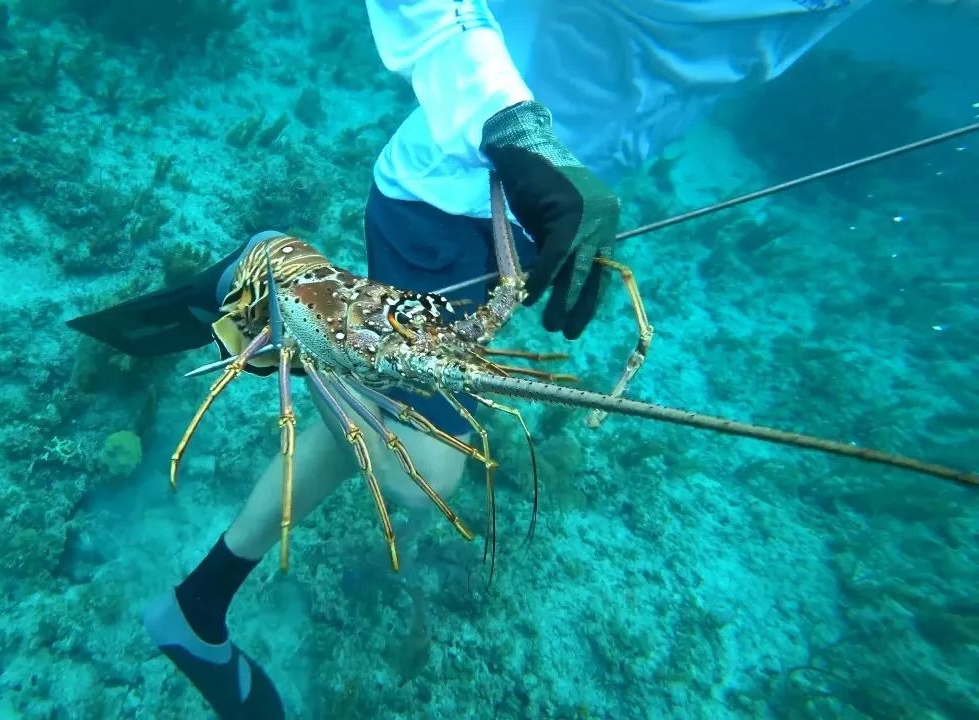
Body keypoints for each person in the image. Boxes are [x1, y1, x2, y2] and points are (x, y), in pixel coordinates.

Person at [68, 1, 873, 717]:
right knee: (422, 471)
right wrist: (522, 135)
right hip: (456, 189)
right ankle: (276, 282)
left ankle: (198, 603)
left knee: (385, 407)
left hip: (530, 224)